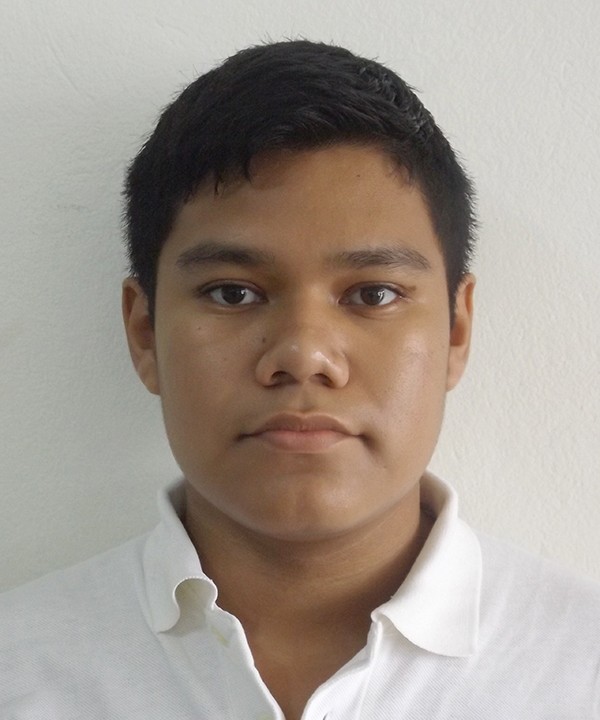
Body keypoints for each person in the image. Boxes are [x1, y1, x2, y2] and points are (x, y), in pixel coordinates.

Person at [1, 40, 599, 720]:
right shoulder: (18, 671)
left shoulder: (580, 671)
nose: (305, 356)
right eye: (232, 293)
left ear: (456, 331)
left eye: (372, 294)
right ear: (145, 332)